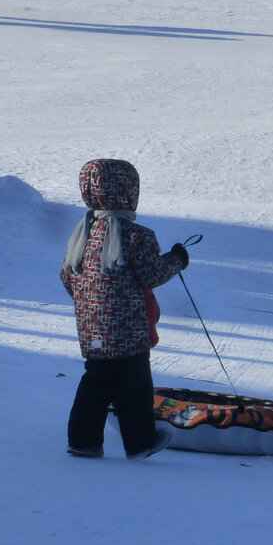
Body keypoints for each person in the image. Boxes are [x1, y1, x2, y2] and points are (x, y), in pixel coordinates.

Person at [61, 158, 189, 460]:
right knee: (135, 387)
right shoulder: (136, 235)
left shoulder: (82, 236)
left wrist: (91, 305)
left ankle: (83, 441)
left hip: (92, 329)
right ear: (129, 192)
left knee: (96, 382)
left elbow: (68, 276)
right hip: (129, 332)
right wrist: (178, 260)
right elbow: (151, 274)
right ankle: (141, 441)